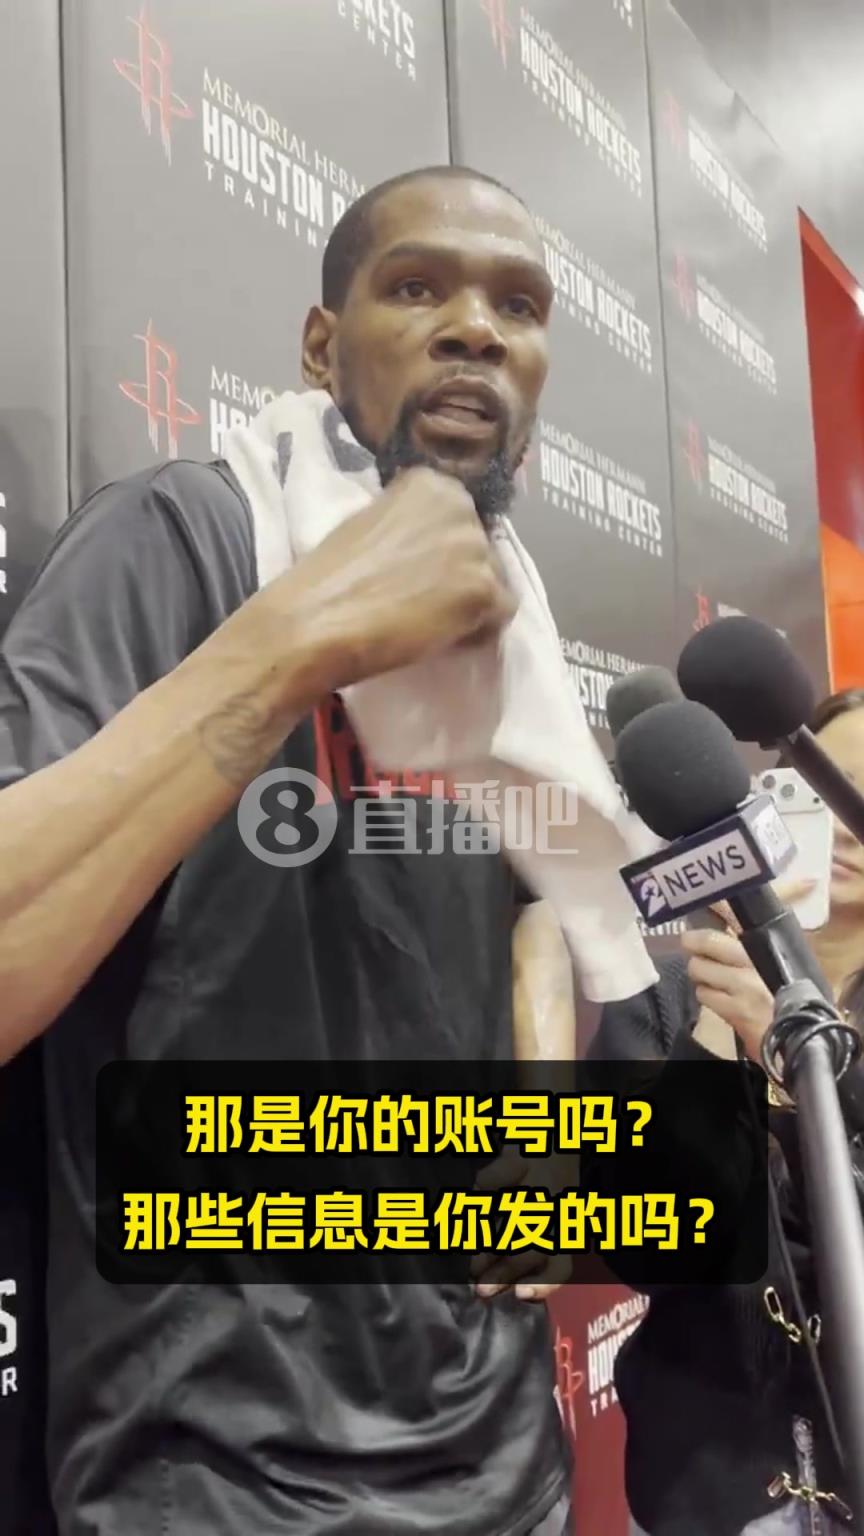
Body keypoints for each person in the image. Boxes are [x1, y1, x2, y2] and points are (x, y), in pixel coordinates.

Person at [0, 166, 583, 1535]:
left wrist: (546, 1106)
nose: (477, 328)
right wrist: (293, 642)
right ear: (323, 347)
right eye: (417, 288)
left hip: (502, 1450)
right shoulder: (184, 537)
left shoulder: (519, 625)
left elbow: (542, 895)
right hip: (216, 1472)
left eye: (518, 306)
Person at [594, 688, 864, 1536]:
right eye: (819, 788)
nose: (844, 823)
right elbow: (647, 1246)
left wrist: (808, 1063)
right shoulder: (665, 1000)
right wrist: (722, 1031)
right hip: (708, 1487)